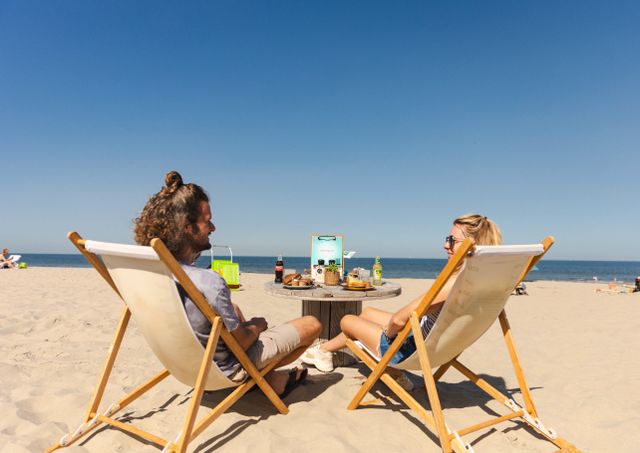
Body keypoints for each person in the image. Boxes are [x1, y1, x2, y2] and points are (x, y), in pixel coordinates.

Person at [134, 171, 321, 398]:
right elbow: (241, 343)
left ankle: (272, 378)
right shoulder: (208, 281)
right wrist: (257, 326)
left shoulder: (148, 272)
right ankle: (268, 379)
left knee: (234, 311)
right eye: (207, 221)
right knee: (312, 325)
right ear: (187, 227)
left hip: (181, 361)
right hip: (223, 369)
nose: (213, 227)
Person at [300, 214, 503, 390]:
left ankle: (391, 371)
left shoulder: (452, 283)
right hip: (441, 345)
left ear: (472, 245)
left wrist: (388, 334)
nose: (445, 244)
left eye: (452, 240)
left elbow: (399, 320)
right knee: (368, 313)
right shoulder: (483, 280)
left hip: (411, 350)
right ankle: (324, 352)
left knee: (347, 321)